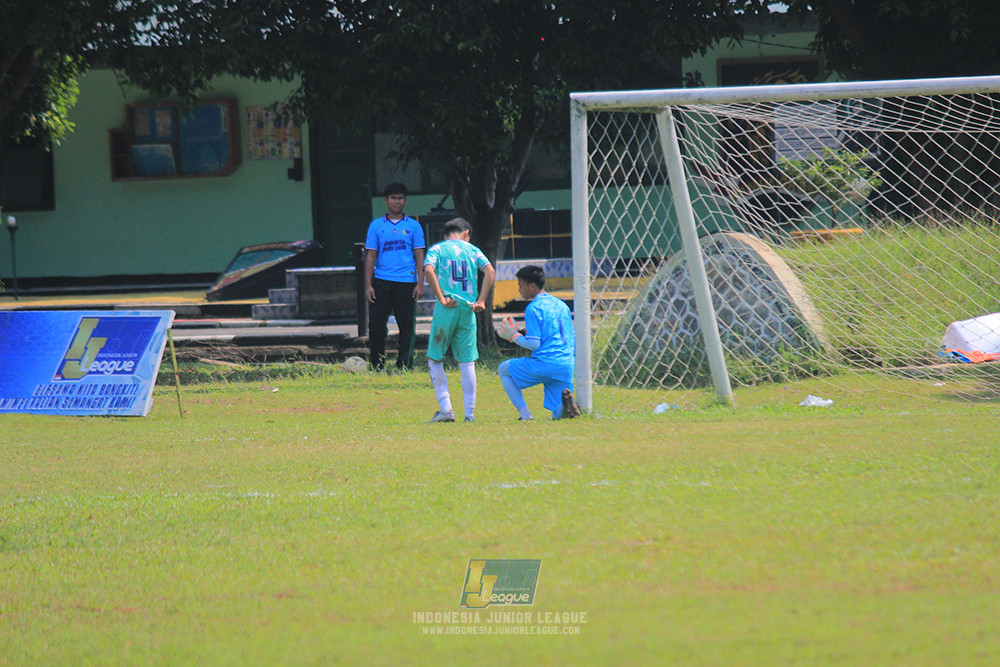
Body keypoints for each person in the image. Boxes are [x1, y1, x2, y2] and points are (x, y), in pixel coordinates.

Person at [423, 218, 496, 423]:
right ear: (466, 233)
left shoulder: (437, 249)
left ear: (447, 234)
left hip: (446, 307)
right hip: (467, 309)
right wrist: (481, 300)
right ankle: (469, 414)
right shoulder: (473, 250)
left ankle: (446, 408)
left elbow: (428, 270)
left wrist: (440, 297)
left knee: (435, 359)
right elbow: (490, 271)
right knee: (467, 362)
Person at [496, 265, 580, 420]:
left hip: (545, 363)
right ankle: (567, 406)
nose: (519, 290)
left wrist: (513, 335)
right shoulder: (562, 305)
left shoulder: (533, 308)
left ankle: (525, 416)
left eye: (521, 285)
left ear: (532, 286)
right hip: (566, 363)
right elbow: (572, 336)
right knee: (557, 413)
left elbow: (534, 344)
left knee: (503, 369)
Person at [364, 183, 425, 371]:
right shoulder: (376, 226)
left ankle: (404, 365)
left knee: (406, 325)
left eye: (400, 198)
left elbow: (420, 255)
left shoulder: (414, 226)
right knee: (375, 325)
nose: (397, 202)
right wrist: (368, 285)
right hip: (381, 281)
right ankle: (377, 365)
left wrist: (420, 283)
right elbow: (371, 256)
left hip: (406, 282)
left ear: (405, 201)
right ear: (386, 200)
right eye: (393, 198)